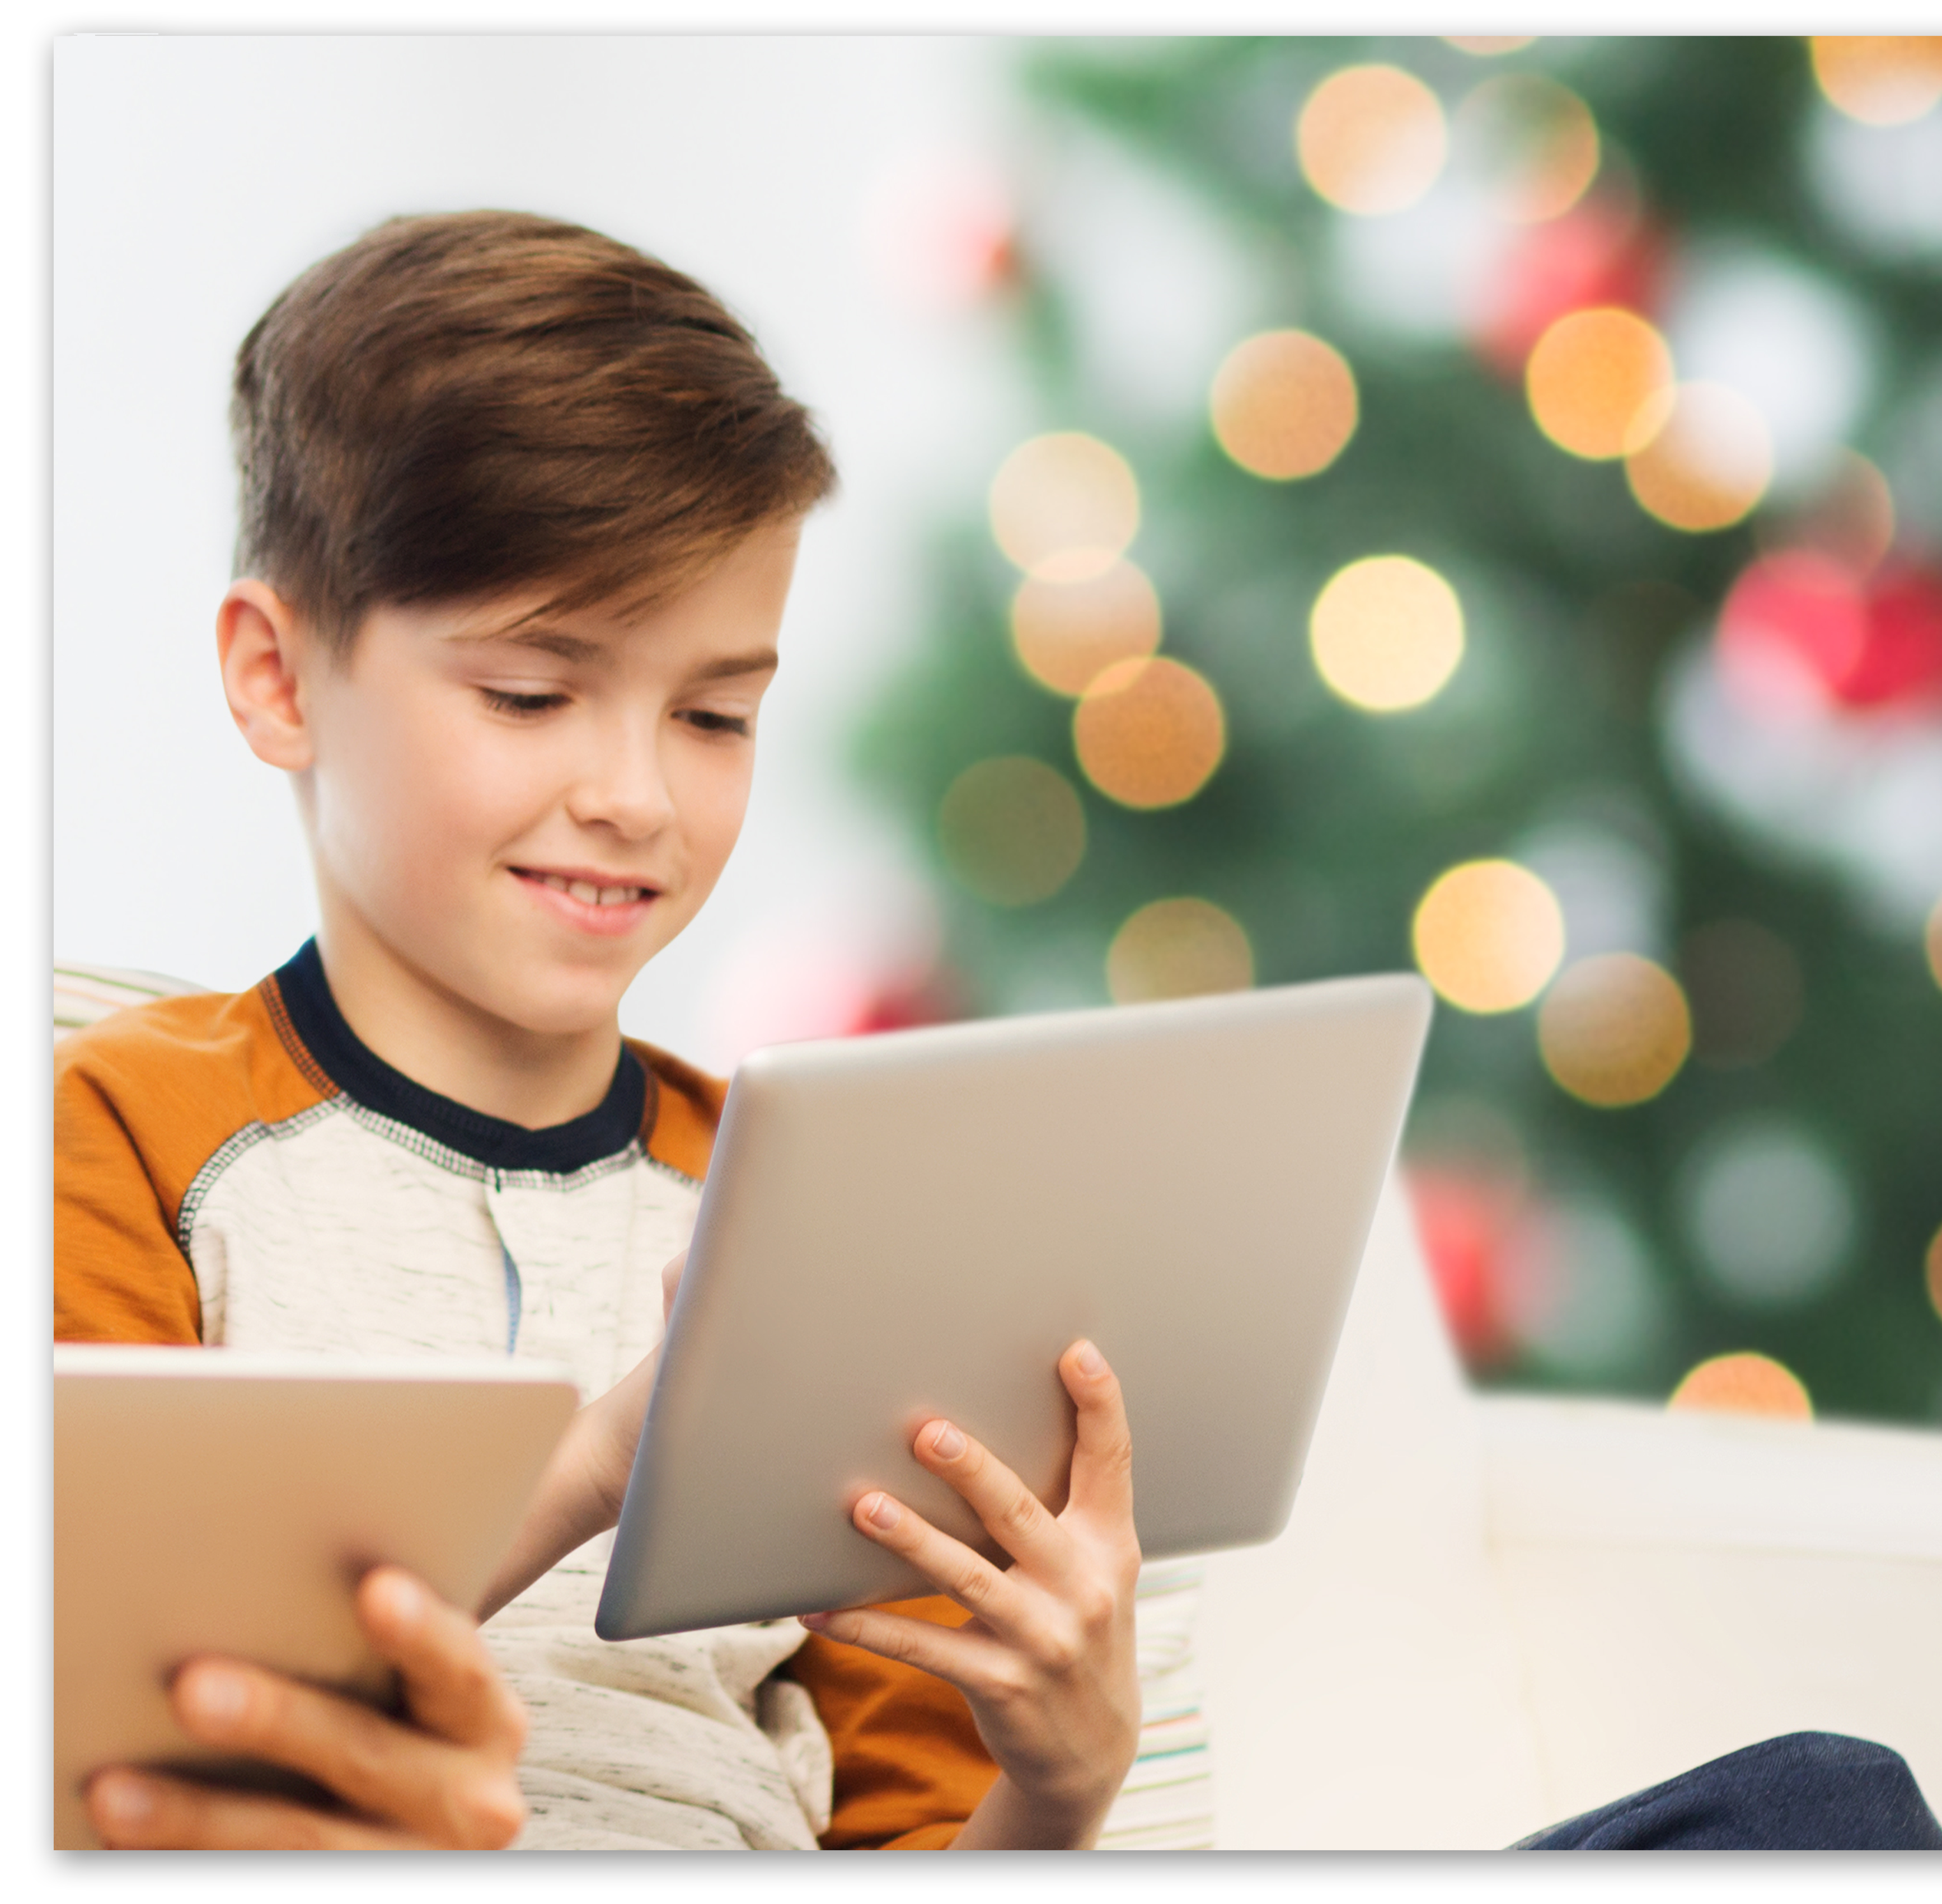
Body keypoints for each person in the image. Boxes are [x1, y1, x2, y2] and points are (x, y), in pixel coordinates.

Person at [53, 210, 1142, 1850]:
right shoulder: (125, 1140)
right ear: (280, 679)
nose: (634, 796)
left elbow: (914, 1823)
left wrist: (1056, 1786)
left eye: (714, 715)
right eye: (530, 694)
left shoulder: (817, 1211)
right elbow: (135, 1733)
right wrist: (592, 1466)